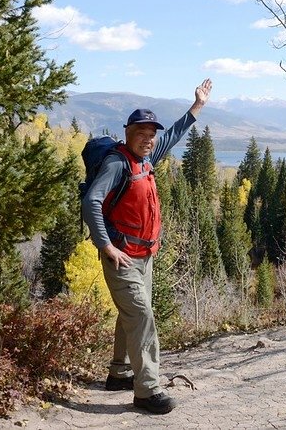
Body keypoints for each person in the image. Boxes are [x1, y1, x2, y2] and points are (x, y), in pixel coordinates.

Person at [81, 78, 213, 415]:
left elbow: (173, 134)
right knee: (142, 316)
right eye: (141, 131)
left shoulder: (148, 158)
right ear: (128, 132)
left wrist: (196, 106)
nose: (148, 137)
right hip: (122, 258)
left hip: (145, 256)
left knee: (132, 316)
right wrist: (107, 246)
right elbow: (92, 202)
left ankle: (120, 373)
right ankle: (147, 391)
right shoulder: (117, 163)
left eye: (151, 132)